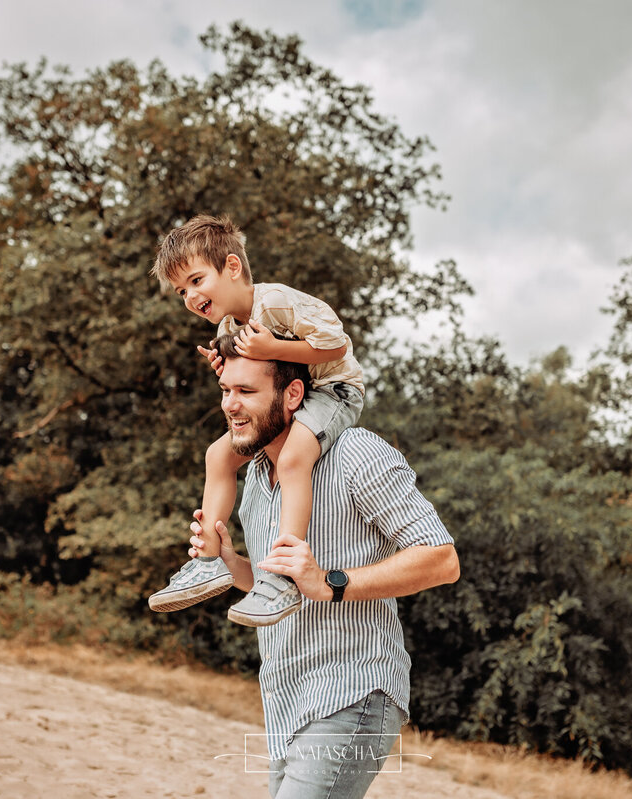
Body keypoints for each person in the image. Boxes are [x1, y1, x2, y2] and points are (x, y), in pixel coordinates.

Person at [187, 335, 460, 798]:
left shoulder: (356, 452)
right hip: (286, 699)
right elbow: (283, 583)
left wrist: (331, 583)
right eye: (226, 390)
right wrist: (235, 566)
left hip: (353, 689)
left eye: (246, 391)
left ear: (293, 394)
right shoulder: (255, 477)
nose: (230, 405)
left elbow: (441, 558)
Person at [147, 214, 365, 627]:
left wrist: (273, 348)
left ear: (231, 266)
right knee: (217, 456)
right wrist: (224, 363)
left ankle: (283, 575)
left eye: (196, 280)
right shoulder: (229, 326)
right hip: (289, 396)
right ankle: (208, 561)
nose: (190, 296)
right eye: (181, 291)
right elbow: (257, 377)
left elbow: (336, 345)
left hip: (332, 389)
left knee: (293, 459)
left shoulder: (275, 301)